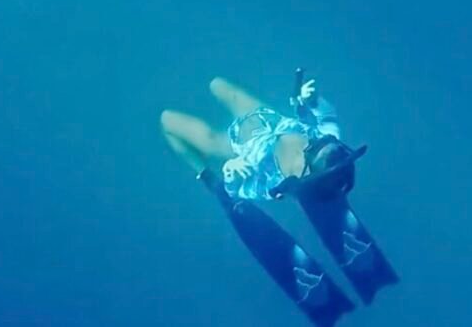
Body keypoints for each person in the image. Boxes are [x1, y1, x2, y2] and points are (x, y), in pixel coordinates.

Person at [160, 72, 396, 324]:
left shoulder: (270, 180)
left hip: (236, 145)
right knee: (216, 84)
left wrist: (228, 172)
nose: (331, 147)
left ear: (308, 169)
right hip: (268, 117)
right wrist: (311, 100)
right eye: (338, 150)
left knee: (167, 121)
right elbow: (325, 113)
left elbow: (236, 193)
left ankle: (204, 175)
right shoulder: (329, 138)